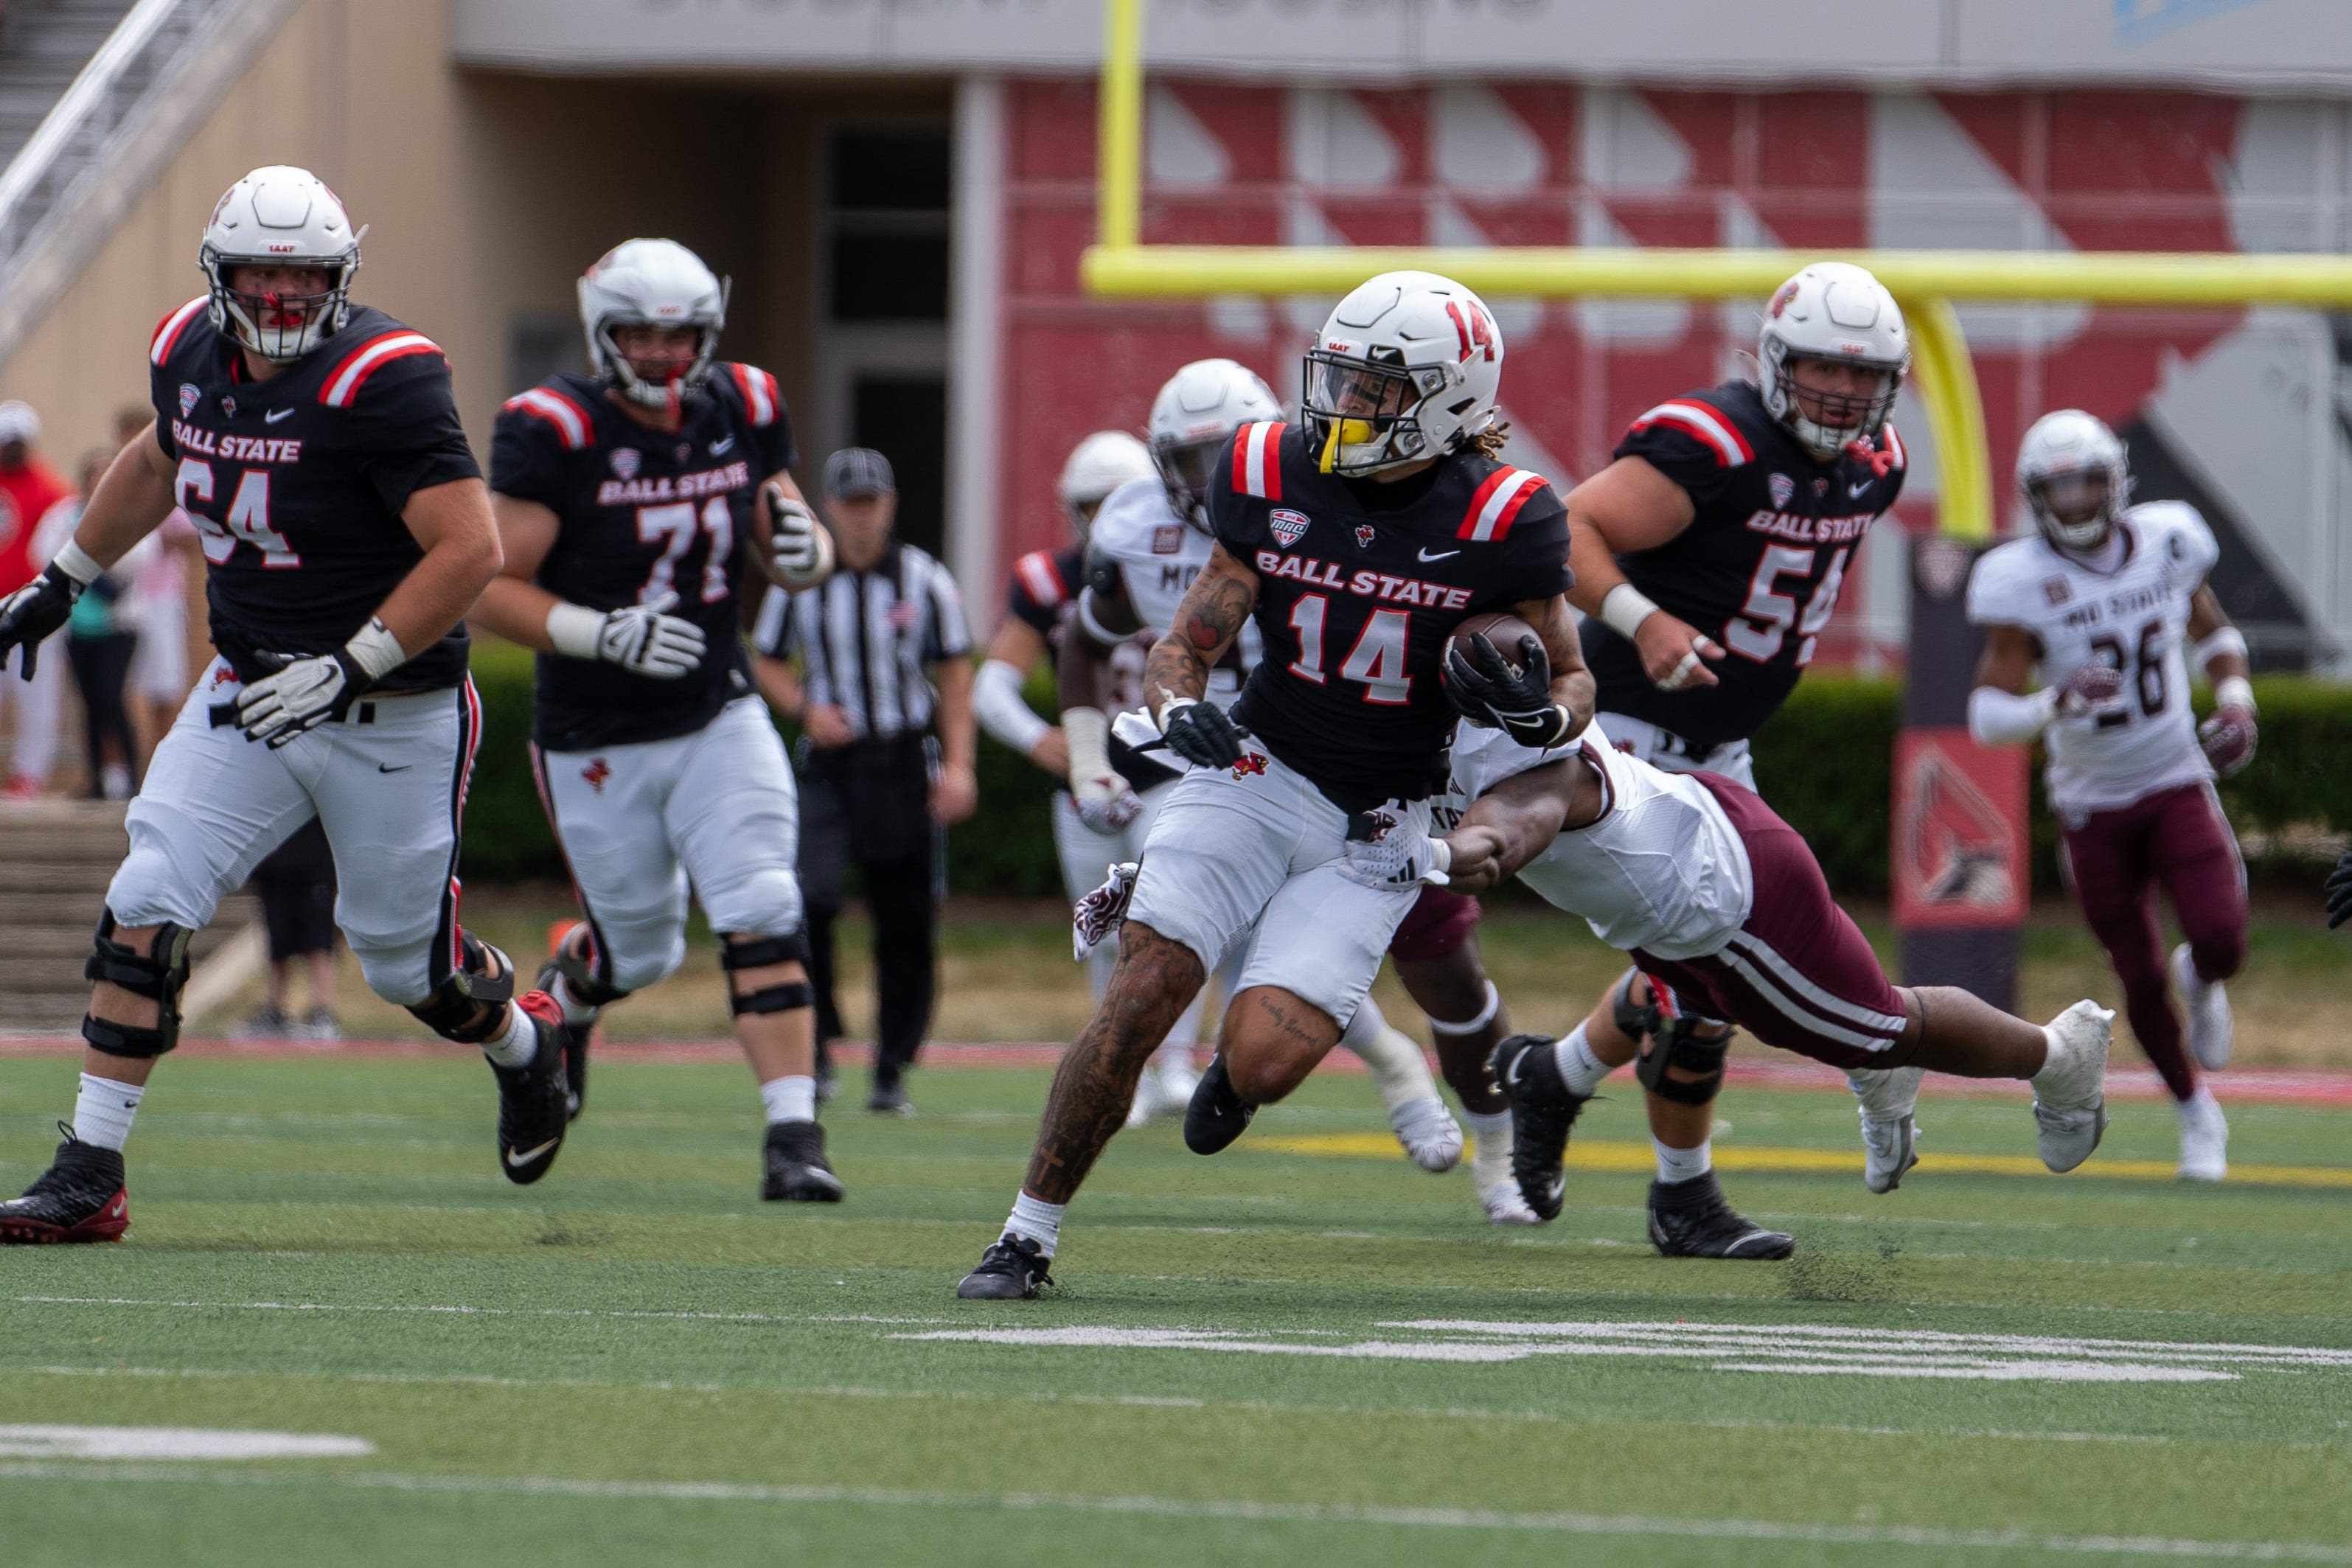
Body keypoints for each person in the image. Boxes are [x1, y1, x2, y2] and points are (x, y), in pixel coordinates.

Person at [958, 271, 1582, 1300]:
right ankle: (1023, 1237)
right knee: (1143, 990)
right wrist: (1174, 706)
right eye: (1338, 379)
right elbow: (1181, 642)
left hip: (1385, 815)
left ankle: (1235, 1080)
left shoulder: (1508, 515)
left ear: (1446, 401)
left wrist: (1539, 717)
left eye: (1375, 390)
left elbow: (1570, 675)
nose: (1343, 406)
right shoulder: (1267, 468)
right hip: (1258, 767)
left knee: (1262, 1062)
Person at [0, 164, 568, 1245]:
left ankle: (526, 1040)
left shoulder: (385, 377)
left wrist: (352, 660)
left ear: (339, 276)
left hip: (390, 706)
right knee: (147, 893)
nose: (280, 295)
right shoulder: (186, 350)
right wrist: (63, 575)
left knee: (408, 965)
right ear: (221, 272)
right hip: (247, 690)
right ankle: (89, 1170)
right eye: (260, 272)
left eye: (304, 275)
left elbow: (472, 549)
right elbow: (161, 456)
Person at [1532, 260, 1914, 1256]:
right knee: (1711, 965)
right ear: (1775, 360)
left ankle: (1557, 1077)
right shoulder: (1713, 439)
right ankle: (1678, 1194)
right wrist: (1642, 614)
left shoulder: (1878, 464)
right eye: (1822, 370)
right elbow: (1561, 530)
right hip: (1630, 733)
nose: (1840, 392)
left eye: (1861, 375)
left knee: (1711, 962)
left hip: (1720, 742)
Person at [1435, 714, 2115, 1242]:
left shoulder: (1526, 757)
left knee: (1881, 1025)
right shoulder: (1503, 701)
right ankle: (1562, 1078)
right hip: (1696, 851)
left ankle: (2059, 1057)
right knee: (1709, 1015)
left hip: (1723, 904)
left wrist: (1427, 850)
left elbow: (1503, 833)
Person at [476, 239, 841, 1199]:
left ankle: (793, 1133)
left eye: (681, 333)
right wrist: (601, 632)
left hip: (716, 708)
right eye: (641, 332)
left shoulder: (746, 403)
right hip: (595, 732)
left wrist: (808, 556)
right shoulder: (554, 426)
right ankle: (575, 984)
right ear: (604, 332)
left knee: (763, 901)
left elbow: (783, 531)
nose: (663, 352)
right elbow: (487, 584)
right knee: (641, 949)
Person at [1060, 358, 1463, 1154]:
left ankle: (1385, 1068)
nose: (1208, 482)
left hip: (1305, 747)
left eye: (1223, 456)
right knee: (1192, 928)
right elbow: (1085, 637)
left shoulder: (1323, 497)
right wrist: (1084, 758)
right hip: (1193, 747)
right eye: (1188, 461)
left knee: (1281, 941)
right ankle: (1376, 1069)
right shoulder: (1133, 527)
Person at [1965, 410, 2252, 1181]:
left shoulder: (2166, 542)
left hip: (2172, 776)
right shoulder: (2020, 580)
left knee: (2222, 939)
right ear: (2035, 495)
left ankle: (2204, 978)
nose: (2077, 499)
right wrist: (2053, 703)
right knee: (2134, 973)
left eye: (2088, 480)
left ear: (2115, 481)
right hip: (2090, 805)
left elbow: (2213, 633)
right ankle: (2196, 1113)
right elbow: (1986, 714)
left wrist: (2236, 701)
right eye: (2059, 486)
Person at [754, 447, 975, 1116]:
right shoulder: (798, 577)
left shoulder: (924, 579)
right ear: (828, 508)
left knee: (904, 920)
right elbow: (764, 660)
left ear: (891, 504)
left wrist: (961, 766)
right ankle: (815, 1049)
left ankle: (891, 1066)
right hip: (829, 765)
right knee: (809, 899)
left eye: (870, 501)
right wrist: (804, 710)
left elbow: (956, 672)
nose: (861, 515)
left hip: (901, 759)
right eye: (849, 503)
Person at [0, 401, 74, 798]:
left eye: (19, 442)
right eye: (7, 442)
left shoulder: (52, 489)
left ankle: (30, 773)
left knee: (36, 692)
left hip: (32, 607)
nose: (13, 449)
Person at [237, 818, 341, 1039]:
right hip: (275, 870)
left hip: (314, 869)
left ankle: (321, 1012)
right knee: (277, 946)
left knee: (318, 943)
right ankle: (275, 1010)